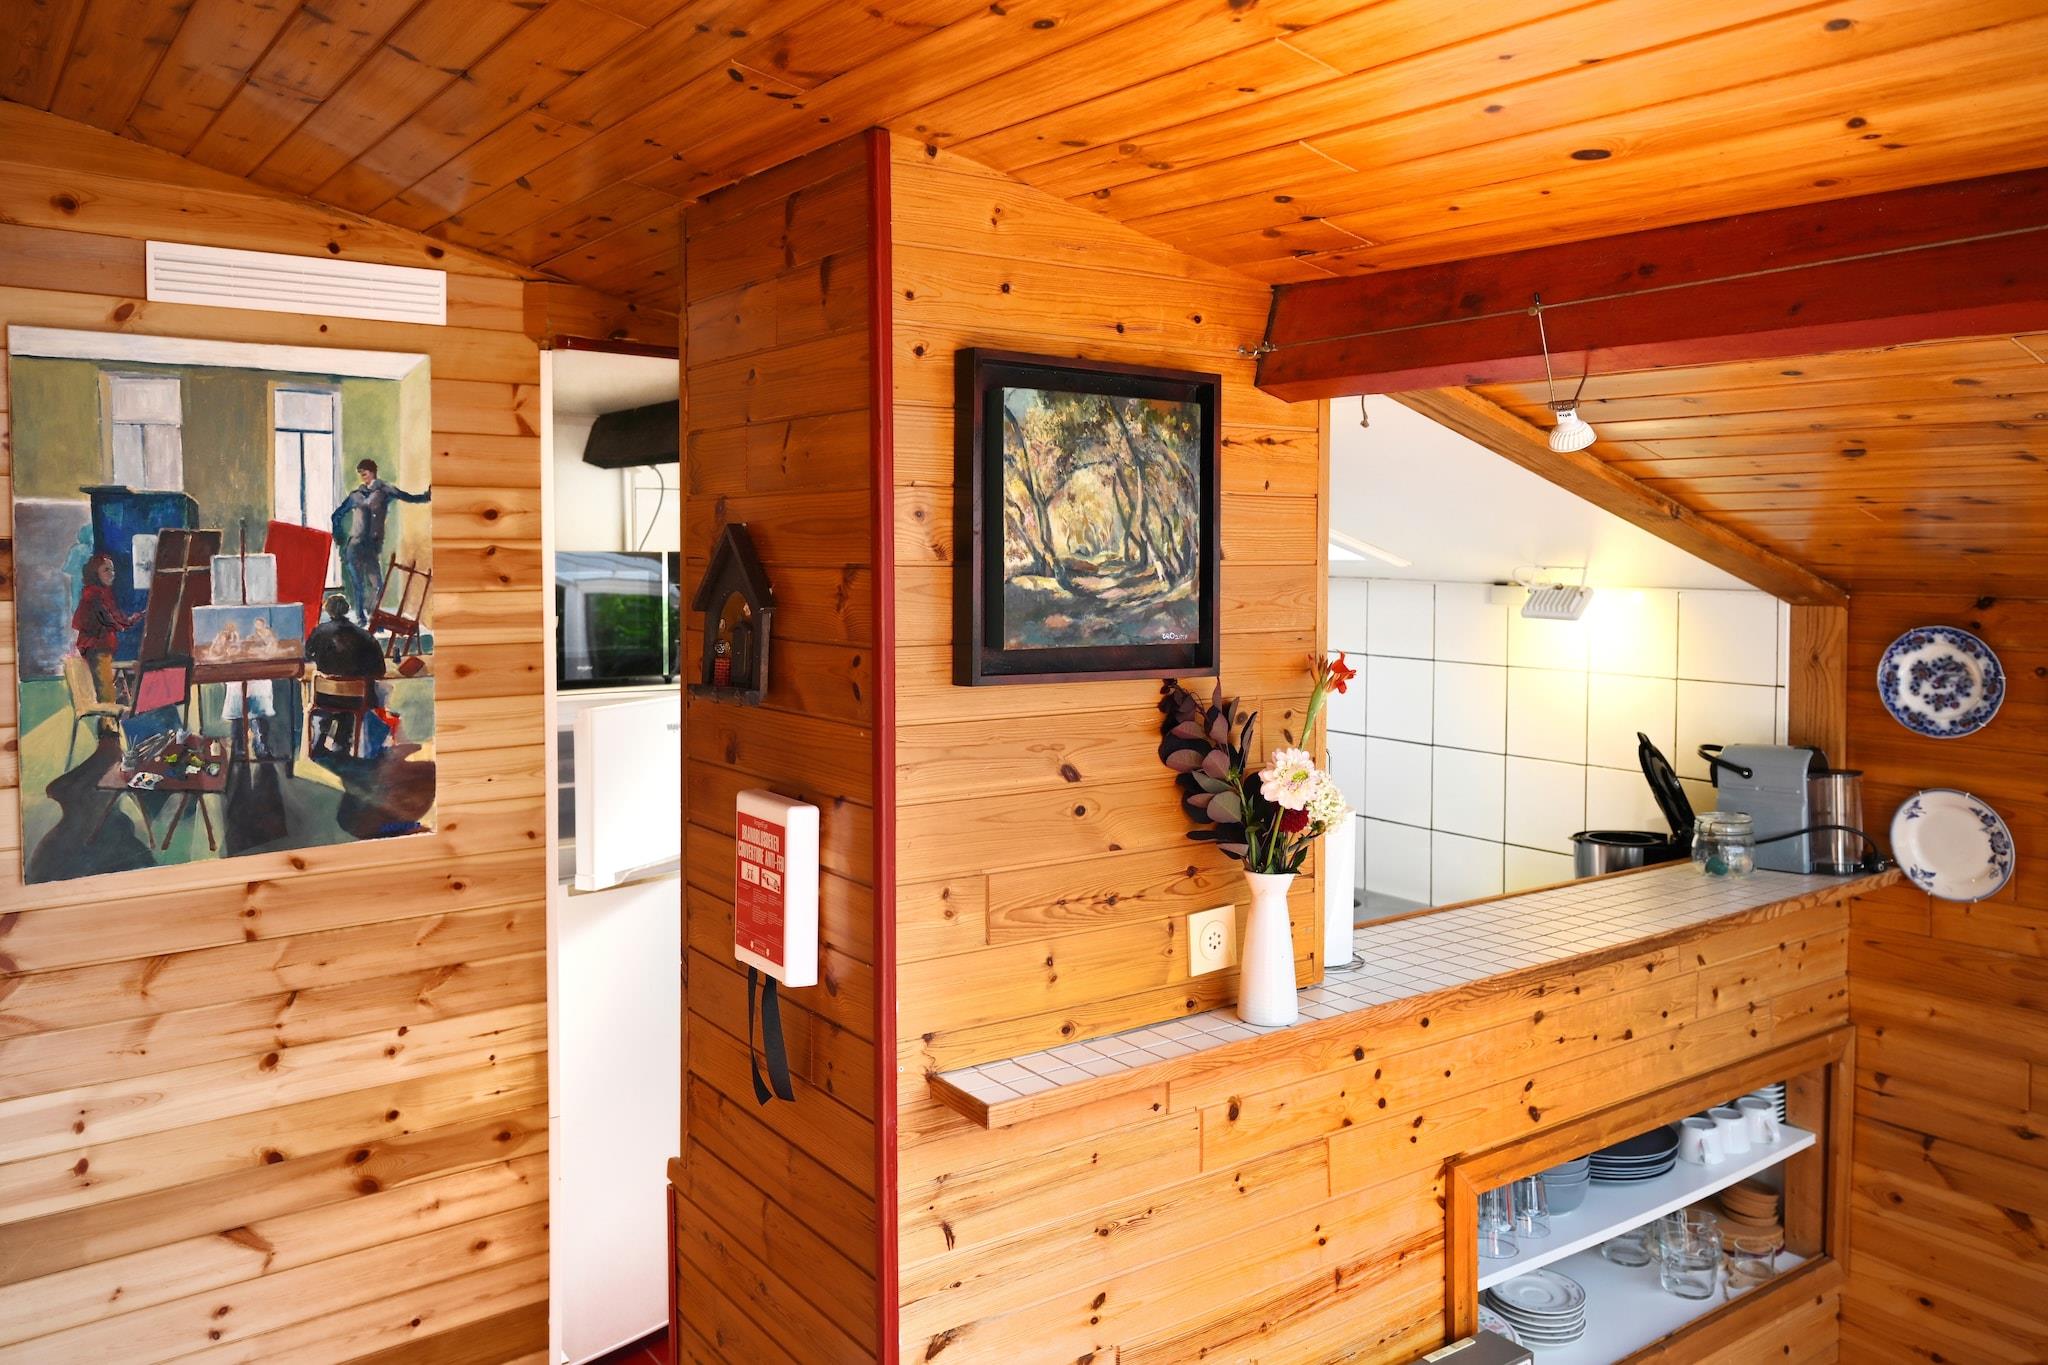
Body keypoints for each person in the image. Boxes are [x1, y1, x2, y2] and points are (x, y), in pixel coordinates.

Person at [331, 458, 429, 625]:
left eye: (365, 473)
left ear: (373, 472)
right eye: (361, 474)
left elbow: (407, 497)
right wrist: (339, 535)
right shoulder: (356, 496)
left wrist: (426, 497)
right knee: (358, 585)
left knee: (378, 586)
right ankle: (362, 618)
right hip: (354, 547)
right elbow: (337, 515)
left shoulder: (385, 491)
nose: (362, 477)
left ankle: (373, 615)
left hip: (371, 548)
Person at [305, 594, 387, 755]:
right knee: (364, 697)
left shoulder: (320, 632)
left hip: (324, 696)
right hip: (356, 698)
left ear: (328, 611)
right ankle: (343, 743)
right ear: (346, 610)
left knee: (336, 703)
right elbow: (380, 670)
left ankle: (322, 741)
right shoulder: (364, 636)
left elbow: (308, 654)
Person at [70, 553, 139, 730]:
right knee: (106, 692)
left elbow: (114, 616)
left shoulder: (104, 593)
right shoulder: (92, 594)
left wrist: (129, 621)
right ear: (95, 573)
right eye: (106, 570)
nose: (112, 573)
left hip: (103, 648)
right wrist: (123, 625)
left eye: (113, 570)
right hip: (96, 648)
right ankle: (108, 731)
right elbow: (106, 618)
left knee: (111, 688)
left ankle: (111, 728)